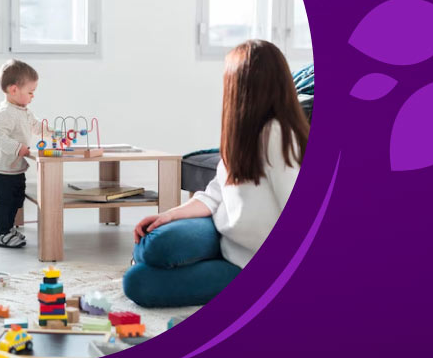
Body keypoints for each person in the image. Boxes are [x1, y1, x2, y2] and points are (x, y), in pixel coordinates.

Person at [123, 39, 309, 308]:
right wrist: (168, 215)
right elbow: (215, 194)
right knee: (154, 242)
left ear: (242, 85)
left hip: (251, 261)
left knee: (136, 282)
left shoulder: (278, 135)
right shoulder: (244, 132)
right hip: (225, 235)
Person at [0, 60, 45, 249]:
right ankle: (2, 234)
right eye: (30, 92)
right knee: (4, 202)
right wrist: (18, 147)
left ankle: (9, 229)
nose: (33, 96)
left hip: (16, 168)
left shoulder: (24, 111)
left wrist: (52, 132)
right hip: (2, 169)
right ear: (13, 90)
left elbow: (36, 126)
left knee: (17, 199)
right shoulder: (5, 113)